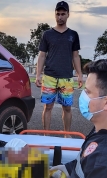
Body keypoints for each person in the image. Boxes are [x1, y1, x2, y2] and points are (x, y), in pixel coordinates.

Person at [35, 1, 82, 137]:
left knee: (67, 107)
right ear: (55, 15)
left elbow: (76, 56)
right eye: (58, 14)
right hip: (49, 76)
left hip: (66, 77)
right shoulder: (47, 34)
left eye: (63, 14)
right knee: (48, 107)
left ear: (68, 15)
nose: (60, 17)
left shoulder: (73, 34)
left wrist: (79, 74)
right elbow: (42, 55)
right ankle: (46, 135)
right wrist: (38, 75)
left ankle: (67, 135)